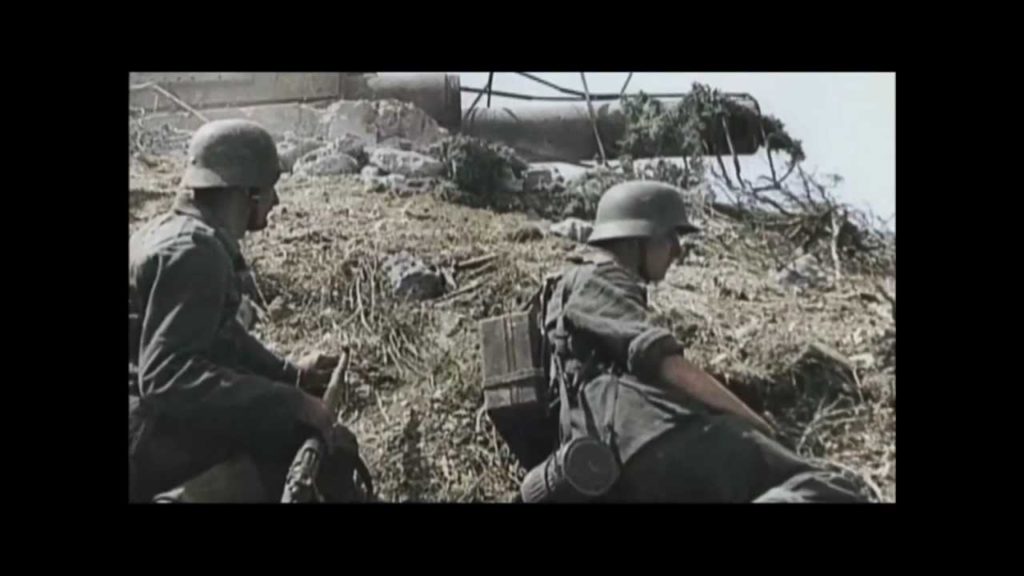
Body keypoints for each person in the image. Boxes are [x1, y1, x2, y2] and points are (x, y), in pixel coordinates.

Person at [533, 180, 865, 503]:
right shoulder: (601, 277)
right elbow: (665, 363)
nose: (678, 250)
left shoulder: (566, 289)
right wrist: (756, 423)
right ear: (635, 240)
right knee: (823, 485)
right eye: (668, 237)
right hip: (645, 434)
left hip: (613, 456)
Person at [129, 119, 360, 502]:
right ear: (247, 193)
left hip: (144, 419)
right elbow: (166, 376)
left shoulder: (173, 233)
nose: (277, 201)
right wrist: (290, 403)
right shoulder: (195, 252)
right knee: (312, 455)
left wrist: (289, 375)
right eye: (271, 188)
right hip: (143, 434)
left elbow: (214, 333)